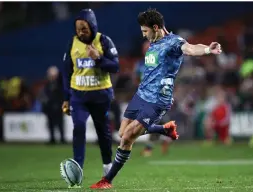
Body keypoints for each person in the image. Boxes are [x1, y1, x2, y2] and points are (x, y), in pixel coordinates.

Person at [90, 8, 222, 189]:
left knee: (128, 137)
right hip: (141, 95)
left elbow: (190, 49)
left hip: (157, 100)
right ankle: (163, 130)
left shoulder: (174, 42)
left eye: (145, 31)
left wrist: (207, 49)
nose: (144, 35)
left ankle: (107, 180)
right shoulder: (152, 44)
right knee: (122, 133)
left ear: (156, 27)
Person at [61, 8, 119, 185]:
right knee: (78, 127)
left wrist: (99, 58)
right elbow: (66, 71)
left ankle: (107, 166)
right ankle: (77, 169)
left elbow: (115, 67)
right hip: (78, 96)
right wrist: (66, 97)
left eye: (84, 28)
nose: (80, 32)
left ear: (92, 27)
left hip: (101, 95)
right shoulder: (72, 43)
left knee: (103, 132)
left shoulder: (103, 41)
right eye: (78, 29)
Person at [41, 66, 65, 144]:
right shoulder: (47, 84)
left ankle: (62, 139)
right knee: (50, 124)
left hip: (58, 106)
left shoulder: (60, 83)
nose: (50, 76)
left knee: (60, 123)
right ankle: (52, 139)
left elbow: (61, 94)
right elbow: (45, 95)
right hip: (49, 107)